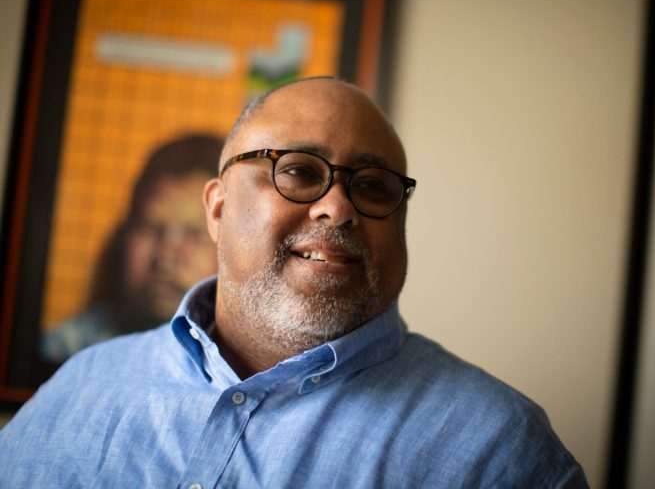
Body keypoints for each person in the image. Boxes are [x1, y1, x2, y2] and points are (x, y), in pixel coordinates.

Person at [0, 77, 589, 487]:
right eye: (300, 171)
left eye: (374, 186)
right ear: (219, 207)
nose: (338, 207)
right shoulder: (80, 387)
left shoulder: (497, 449)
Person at [40, 134, 222, 362]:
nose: (166, 256)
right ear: (124, 234)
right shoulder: (62, 351)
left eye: (195, 234)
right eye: (150, 228)